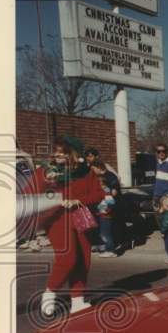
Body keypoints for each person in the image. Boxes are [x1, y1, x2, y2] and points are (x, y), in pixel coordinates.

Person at [29, 135, 105, 316]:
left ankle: (77, 301)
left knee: (83, 259)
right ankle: (50, 292)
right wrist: (48, 184)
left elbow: (98, 194)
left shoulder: (86, 172)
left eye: (62, 152)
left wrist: (79, 200)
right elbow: (28, 193)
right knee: (67, 258)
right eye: (56, 151)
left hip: (80, 217)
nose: (58, 155)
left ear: (73, 154)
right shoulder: (46, 171)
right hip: (56, 219)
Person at [90, 160, 121, 258]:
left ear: (99, 167)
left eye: (94, 169)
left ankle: (110, 250)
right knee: (102, 231)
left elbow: (112, 197)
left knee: (105, 232)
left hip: (106, 212)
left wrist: (101, 208)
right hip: (102, 211)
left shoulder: (110, 177)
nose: (93, 171)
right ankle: (104, 246)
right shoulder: (100, 179)